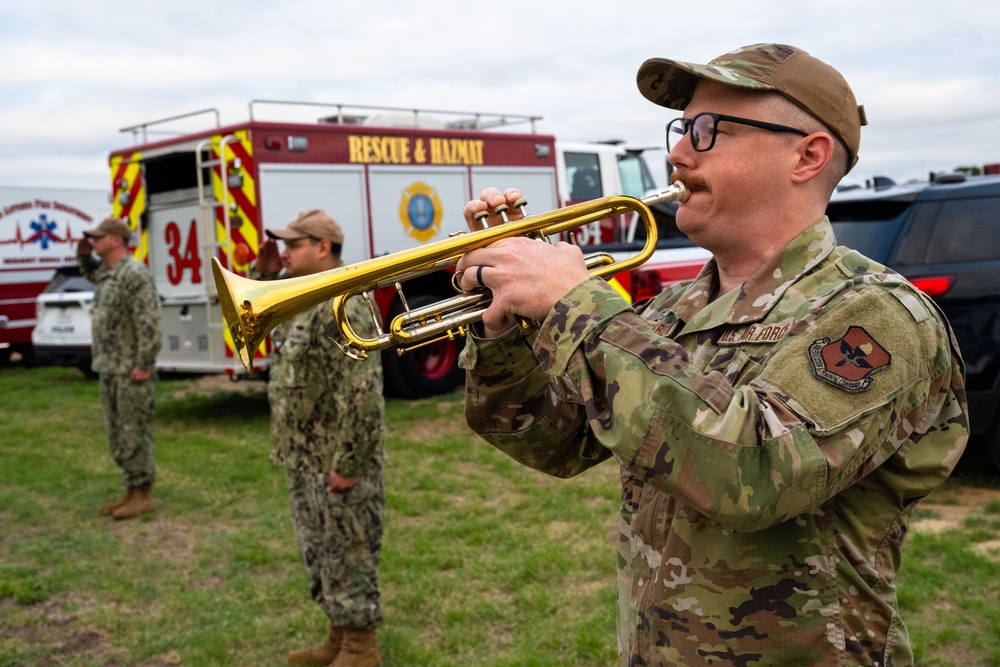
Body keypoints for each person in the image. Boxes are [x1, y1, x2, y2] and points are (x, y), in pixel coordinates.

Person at [454, 44, 969, 666]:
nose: (677, 152)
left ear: (807, 156)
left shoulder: (876, 314)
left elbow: (753, 475)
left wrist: (578, 304)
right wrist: (504, 323)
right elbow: (553, 441)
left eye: (709, 131)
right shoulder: (670, 312)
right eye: (681, 128)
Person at [251, 209, 386, 667]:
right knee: (320, 551)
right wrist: (264, 274)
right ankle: (337, 636)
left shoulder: (344, 301)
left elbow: (364, 393)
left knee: (348, 550)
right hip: (305, 455)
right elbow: (252, 322)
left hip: (336, 456)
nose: (284, 252)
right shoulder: (300, 296)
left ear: (323, 248)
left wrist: (348, 463)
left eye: (293, 245)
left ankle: (361, 648)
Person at [77, 217, 162, 520]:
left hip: (130, 369)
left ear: (115, 239)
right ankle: (130, 489)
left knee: (134, 430)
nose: (93, 241)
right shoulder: (108, 274)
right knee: (117, 432)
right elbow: (89, 271)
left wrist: (144, 362)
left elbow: (148, 322)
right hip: (110, 367)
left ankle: (144, 494)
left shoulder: (133, 274)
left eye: (98, 237)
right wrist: (84, 253)